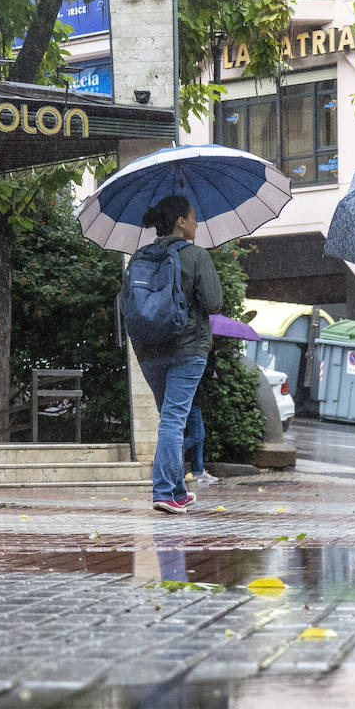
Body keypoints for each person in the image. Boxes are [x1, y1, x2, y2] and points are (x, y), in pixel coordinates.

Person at [130, 195, 222, 513]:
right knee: (174, 420)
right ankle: (164, 491)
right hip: (187, 348)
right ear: (180, 222)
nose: (197, 223)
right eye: (193, 217)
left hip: (148, 350)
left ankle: (179, 489)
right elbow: (213, 302)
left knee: (171, 420)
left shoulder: (139, 257)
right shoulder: (195, 255)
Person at [183, 350, 218, 484]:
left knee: (199, 436)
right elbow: (207, 373)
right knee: (197, 435)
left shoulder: (198, 353)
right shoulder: (203, 355)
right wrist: (213, 357)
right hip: (193, 400)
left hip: (194, 400)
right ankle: (174, 451)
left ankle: (197, 470)